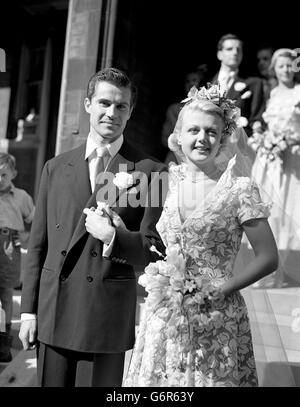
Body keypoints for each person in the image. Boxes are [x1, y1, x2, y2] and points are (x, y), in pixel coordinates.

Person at [19, 67, 167, 387]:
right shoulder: (55, 167)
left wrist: (115, 237)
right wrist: (28, 311)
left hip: (105, 315)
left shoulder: (151, 170)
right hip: (55, 309)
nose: (111, 113)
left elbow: (154, 249)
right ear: (88, 104)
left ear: (130, 112)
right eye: (103, 103)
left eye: (121, 106)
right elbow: (38, 244)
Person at [123, 84, 279, 386]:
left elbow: (269, 257)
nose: (202, 138)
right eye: (193, 130)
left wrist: (223, 289)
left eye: (211, 131)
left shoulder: (239, 190)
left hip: (218, 316)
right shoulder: (162, 182)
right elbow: (143, 238)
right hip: (164, 315)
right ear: (177, 136)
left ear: (222, 138)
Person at [250, 49, 300, 288]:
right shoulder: (271, 93)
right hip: (269, 159)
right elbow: (261, 121)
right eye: (281, 66)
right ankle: (264, 268)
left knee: (286, 210)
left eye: (290, 65)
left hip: (291, 158)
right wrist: (261, 136)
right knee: (266, 208)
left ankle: (279, 271)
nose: (286, 70)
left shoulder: (299, 92)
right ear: (275, 69)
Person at [0, 153, 35, 363]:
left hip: (9, 245)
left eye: (4, 174)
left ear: (13, 174)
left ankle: (3, 342)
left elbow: (34, 220)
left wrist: (25, 240)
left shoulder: (21, 196)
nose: (0, 179)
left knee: (5, 293)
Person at [212, 33, 265, 136]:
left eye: (238, 49)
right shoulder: (206, 83)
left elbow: (256, 118)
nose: (235, 52)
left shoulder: (254, 83)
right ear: (219, 54)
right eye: (229, 49)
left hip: (240, 143)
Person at [161, 69, 205, 164]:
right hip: (176, 159)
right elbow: (164, 138)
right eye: (187, 81)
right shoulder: (174, 109)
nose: (190, 84)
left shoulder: (208, 110)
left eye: (194, 80)